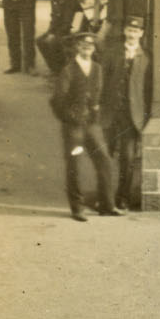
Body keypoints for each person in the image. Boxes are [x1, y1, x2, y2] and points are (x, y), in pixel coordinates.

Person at [51, 31, 119, 220]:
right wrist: (70, 117)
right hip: (74, 126)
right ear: (77, 48)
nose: (87, 48)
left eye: (90, 45)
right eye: (83, 45)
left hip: (92, 125)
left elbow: (102, 93)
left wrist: (98, 112)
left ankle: (107, 205)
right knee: (75, 164)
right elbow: (57, 100)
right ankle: (77, 208)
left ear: (94, 48)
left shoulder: (97, 68)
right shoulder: (68, 70)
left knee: (104, 160)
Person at [102, 15, 152, 212]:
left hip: (132, 115)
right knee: (104, 156)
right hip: (110, 112)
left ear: (141, 33)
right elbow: (102, 80)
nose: (132, 34)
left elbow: (148, 90)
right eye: (129, 30)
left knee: (128, 157)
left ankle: (122, 197)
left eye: (136, 31)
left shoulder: (147, 57)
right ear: (125, 31)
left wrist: (145, 116)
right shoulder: (112, 52)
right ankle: (103, 197)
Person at [37, 0, 89, 75]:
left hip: (74, 30)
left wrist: (54, 35)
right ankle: (54, 68)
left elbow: (68, 22)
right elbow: (54, 19)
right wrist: (49, 32)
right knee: (40, 40)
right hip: (63, 29)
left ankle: (60, 70)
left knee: (53, 43)